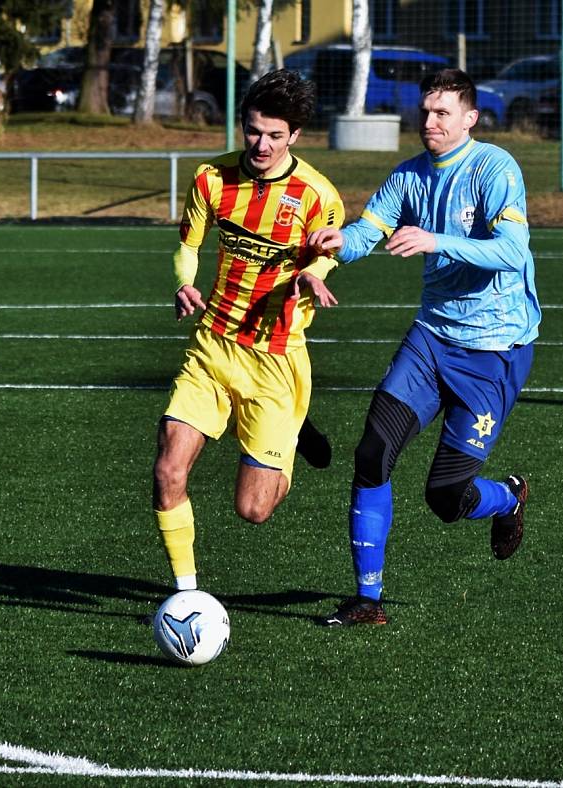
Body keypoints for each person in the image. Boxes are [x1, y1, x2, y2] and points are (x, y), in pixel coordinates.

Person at [308, 68, 541, 626]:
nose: (429, 121)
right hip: (432, 339)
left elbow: (511, 250)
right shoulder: (409, 176)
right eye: (425, 111)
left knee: (446, 497)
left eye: (442, 112)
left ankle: (508, 498)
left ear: (470, 118)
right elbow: (371, 228)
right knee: (371, 454)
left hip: (494, 350)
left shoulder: (494, 169)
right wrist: (343, 243)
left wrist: (436, 240)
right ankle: (368, 600)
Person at [153, 69, 345, 593]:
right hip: (212, 346)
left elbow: (327, 255)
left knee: (253, 510)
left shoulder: (317, 196)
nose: (261, 144)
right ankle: (186, 594)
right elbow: (188, 245)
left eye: (275, 135)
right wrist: (184, 283)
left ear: (295, 137)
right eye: (253, 131)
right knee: (169, 472)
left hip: (275, 360)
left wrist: (312, 273)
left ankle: (291, 427)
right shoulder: (211, 179)